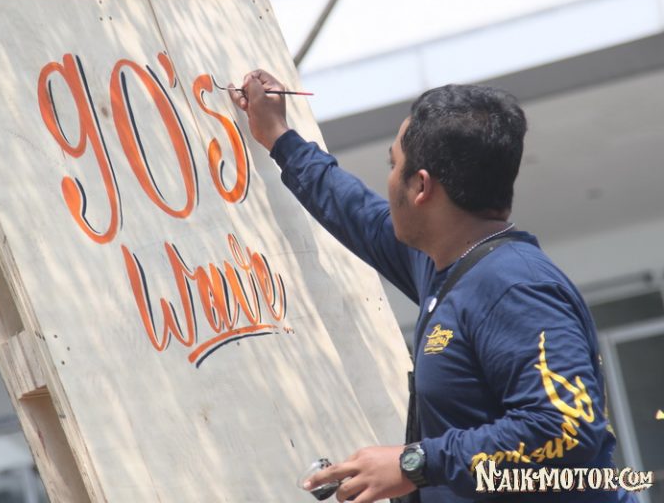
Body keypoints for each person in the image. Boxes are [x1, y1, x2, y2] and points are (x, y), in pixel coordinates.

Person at [229, 70, 639, 503]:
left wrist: (415, 463)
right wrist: (279, 137)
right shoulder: (446, 262)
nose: (389, 180)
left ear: (421, 185)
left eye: (394, 165)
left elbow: (566, 431)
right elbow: (356, 211)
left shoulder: (515, 286)